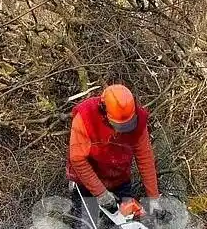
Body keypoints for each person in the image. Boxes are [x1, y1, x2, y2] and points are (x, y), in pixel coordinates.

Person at [67, 84, 161, 216]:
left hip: (119, 180)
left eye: (127, 126)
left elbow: (145, 158)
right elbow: (77, 159)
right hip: (86, 182)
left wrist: (153, 198)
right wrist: (101, 193)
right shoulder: (86, 116)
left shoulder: (138, 120)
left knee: (126, 228)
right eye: (120, 126)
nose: (123, 131)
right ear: (104, 111)